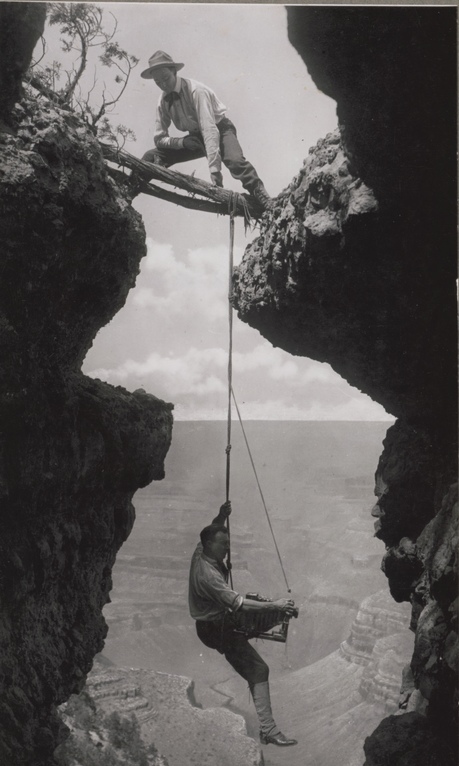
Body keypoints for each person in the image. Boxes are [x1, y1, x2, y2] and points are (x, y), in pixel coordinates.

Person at [188, 500, 298, 747]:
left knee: (271, 612)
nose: (228, 548)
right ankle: (268, 731)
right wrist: (276, 606)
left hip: (221, 620)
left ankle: (269, 619)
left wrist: (220, 516)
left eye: (227, 543)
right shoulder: (207, 576)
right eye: (223, 544)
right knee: (259, 670)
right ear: (209, 545)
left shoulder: (200, 551)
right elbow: (238, 603)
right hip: (216, 630)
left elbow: (213, 528)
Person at [139, 50, 274, 211]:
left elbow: (209, 130)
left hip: (220, 129)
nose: (163, 84)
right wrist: (181, 143)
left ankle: (262, 196)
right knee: (151, 157)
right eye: (157, 82)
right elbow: (159, 139)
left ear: (174, 72)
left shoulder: (196, 91)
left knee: (235, 161)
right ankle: (130, 188)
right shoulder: (162, 101)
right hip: (194, 139)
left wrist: (214, 170)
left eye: (166, 78)